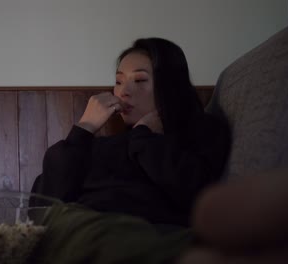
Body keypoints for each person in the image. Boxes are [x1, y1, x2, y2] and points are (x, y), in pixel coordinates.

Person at [31, 37, 230, 229]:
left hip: (137, 237)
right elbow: (41, 208)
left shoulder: (201, 130)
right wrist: (85, 128)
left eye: (140, 79)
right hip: (71, 233)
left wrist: (144, 138)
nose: (124, 91)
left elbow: (197, 196)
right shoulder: (97, 146)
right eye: (118, 81)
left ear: (170, 86)